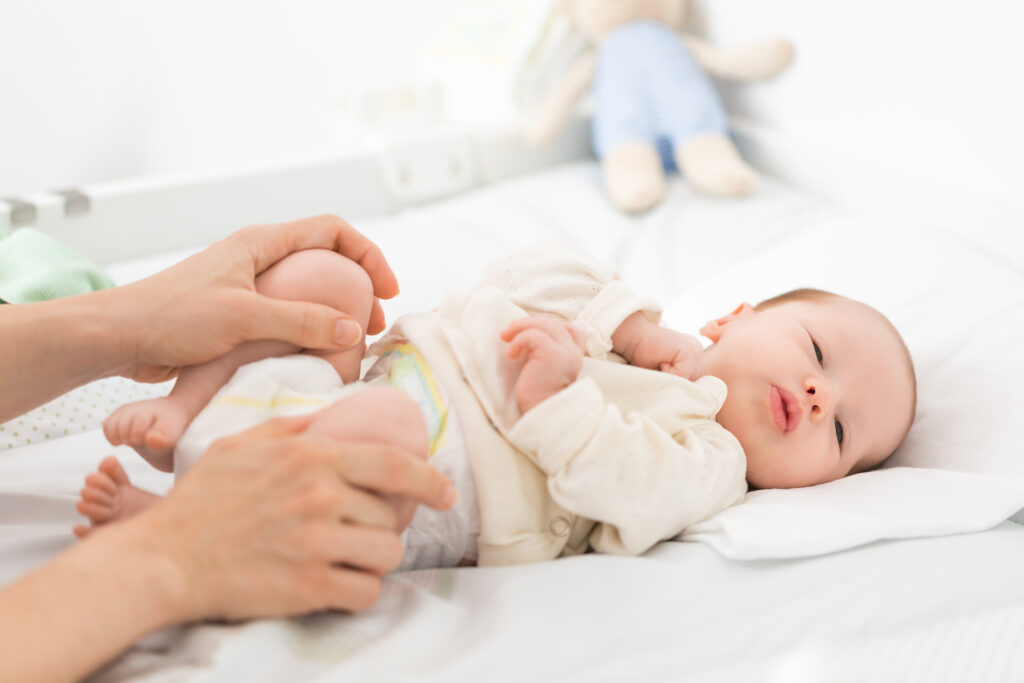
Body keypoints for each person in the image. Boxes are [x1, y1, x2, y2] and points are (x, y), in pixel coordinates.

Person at [81, 239, 916, 569]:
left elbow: (631, 485)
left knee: (378, 428)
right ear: (734, 317)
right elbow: (515, 271)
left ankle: (184, 514)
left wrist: (559, 398)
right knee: (326, 283)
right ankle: (189, 413)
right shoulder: (630, 324)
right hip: (365, 378)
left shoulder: (714, 463)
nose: (820, 396)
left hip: (421, 475)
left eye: (842, 430)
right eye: (817, 352)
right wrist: (626, 325)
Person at [0, 214, 457, 683]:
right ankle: (179, 468)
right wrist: (173, 551)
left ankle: (185, 420)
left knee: (335, 279)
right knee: (379, 396)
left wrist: (130, 324)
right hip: (357, 437)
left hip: (345, 419)